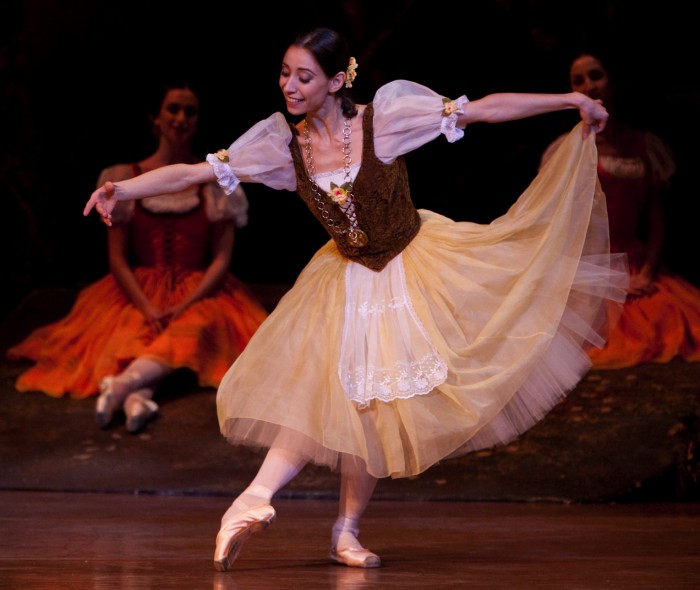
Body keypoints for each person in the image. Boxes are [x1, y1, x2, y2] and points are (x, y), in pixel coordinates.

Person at [84, 28, 626, 569]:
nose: (290, 86)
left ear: (336, 80)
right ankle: (255, 499)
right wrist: (124, 189)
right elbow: (198, 170)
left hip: (412, 264)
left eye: (304, 76)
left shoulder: (382, 120)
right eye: (284, 73)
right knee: (334, 397)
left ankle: (341, 529)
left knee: (370, 408)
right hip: (345, 280)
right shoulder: (283, 147)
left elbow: (482, 110)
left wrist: (569, 100)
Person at [8, 80, 269, 433]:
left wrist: (186, 304)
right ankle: (136, 398)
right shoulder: (123, 178)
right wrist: (147, 306)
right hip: (140, 285)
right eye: (173, 109)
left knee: (193, 329)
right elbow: (117, 259)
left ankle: (121, 388)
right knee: (134, 334)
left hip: (200, 289)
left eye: (190, 112)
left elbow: (221, 260)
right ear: (156, 118)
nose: (181, 118)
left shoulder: (216, 184)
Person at [541, 52, 700, 369]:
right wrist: (606, 281)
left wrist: (644, 274)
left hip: (636, 263)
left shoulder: (642, 145)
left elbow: (657, 221)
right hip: (587, 269)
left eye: (596, 75)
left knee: (670, 319)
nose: (589, 86)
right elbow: (561, 230)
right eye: (578, 81)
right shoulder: (565, 150)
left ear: (612, 81)